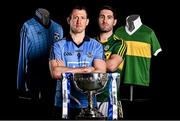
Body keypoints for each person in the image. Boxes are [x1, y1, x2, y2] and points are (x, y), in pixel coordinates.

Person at [49, 5, 106, 119]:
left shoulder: (96, 46)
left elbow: (100, 72)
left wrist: (65, 70)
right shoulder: (58, 45)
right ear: (69, 20)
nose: (79, 21)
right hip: (63, 104)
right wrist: (86, 69)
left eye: (82, 18)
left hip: (88, 105)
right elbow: (55, 72)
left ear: (87, 22)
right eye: (75, 17)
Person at [16, 8, 63, 117]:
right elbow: (22, 55)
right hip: (34, 78)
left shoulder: (58, 28)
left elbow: (61, 57)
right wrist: (20, 85)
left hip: (53, 79)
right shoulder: (27, 26)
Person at [114, 14, 162, 101]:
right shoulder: (118, 32)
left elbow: (157, 52)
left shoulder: (149, 33)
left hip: (141, 83)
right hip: (120, 83)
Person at [95, 5, 127, 119]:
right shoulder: (89, 42)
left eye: (109, 17)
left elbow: (112, 66)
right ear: (98, 19)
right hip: (88, 98)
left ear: (114, 22)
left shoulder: (119, 43)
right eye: (102, 17)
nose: (105, 20)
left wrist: (90, 64)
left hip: (109, 99)